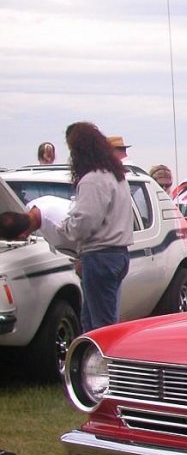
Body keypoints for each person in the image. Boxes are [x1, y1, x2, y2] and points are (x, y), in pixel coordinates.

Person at [37, 122, 134, 330]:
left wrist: (63, 228)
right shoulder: (116, 176)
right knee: (93, 321)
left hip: (100, 257)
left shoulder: (93, 180)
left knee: (102, 327)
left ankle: (104, 362)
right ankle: (92, 362)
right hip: (118, 254)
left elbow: (85, 223)